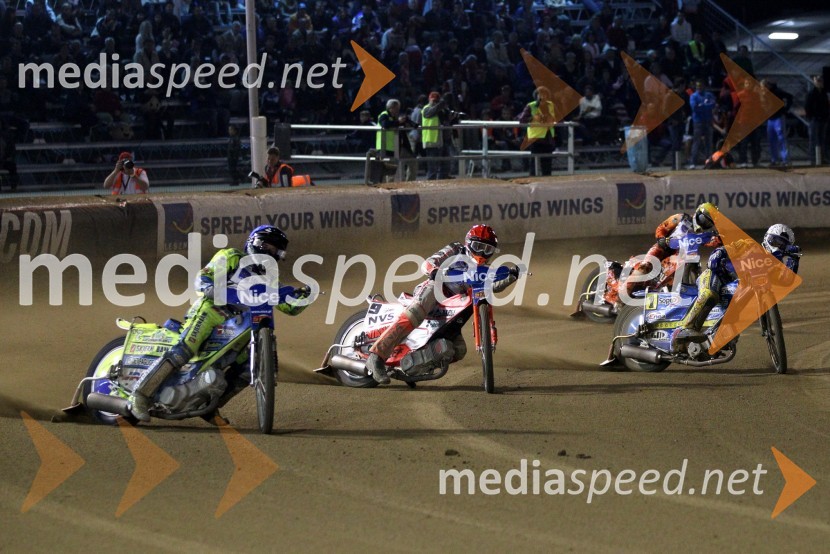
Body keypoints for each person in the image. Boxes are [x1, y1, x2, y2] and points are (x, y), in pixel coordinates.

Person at [129, 226, 311, 421]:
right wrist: (207, 285)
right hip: (212, 311)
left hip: (242, 325)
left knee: (245, 368)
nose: (272, 253)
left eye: (277, 251)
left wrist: (304, 296)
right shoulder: (232, 256)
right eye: (270, 247)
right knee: (185, 349)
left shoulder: (270, 278)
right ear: (256, 244)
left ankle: (209, 406)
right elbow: (204, 276)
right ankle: (139, 395)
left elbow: (289, 307)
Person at [365, 225, 520, 384]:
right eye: (478, 246)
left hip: (454, 305)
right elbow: (428, 263)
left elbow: (491, 287)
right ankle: (376, 356)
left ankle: (410, 367)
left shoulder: (486, 270)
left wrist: (510, 278)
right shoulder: (455, 249)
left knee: (457, 350)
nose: (481, 252)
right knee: (416, 312)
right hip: (437, 288)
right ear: (468, 243)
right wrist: (434, 271)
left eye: (487, 249)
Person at [671, 224, 801, 353]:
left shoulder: (776, 264)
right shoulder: (749, 245)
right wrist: (719, 253)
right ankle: (685, 328)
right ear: (767, 238)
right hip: (717, 275)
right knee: (709, 293)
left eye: (782, 245)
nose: (777, 246)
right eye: (775, 241)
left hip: (740, 288)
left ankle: (719, 336)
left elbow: (786, 281)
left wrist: (794, 259)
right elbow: (726, 249)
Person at [616, 203, 721, 303]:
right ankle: (621, 296)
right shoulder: (681, 218)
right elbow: (662, 227)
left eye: (709, 223)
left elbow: (711, 242)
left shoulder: (704, 234)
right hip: (663, 248)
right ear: (698, 213)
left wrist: (721, 240)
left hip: (682, 255)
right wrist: (661, 238)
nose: (705, 224)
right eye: (704, 219)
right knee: (645, 266)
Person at [518, 86, 556, 176]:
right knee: (533, 163)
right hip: (535, 139)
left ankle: (547, 183)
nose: (543, 96)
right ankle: (532, 182)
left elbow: (558, 118)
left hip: (548, 137)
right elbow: (522, 120)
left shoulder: (551, 105)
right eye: (541, 94)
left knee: (547, 163)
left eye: (545, 94)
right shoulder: (530, 106)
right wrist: (533, 118)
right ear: (536, 96)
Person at [376, 98, 417, 181]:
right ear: (390, 108)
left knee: (413, 162)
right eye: (396, 108)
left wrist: (409, 123)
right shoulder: (384, 115)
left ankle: (410, 183)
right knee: (390, 169)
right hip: (387, 147)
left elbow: (413, 125)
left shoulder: (396, 116)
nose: (397, 110)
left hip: (400, 146)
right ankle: (389, 188)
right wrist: (399, 122)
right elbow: (385, 124)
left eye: (398, 108)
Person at [762, 79, 793, 167]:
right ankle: (774, 159)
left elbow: (789, 97)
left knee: (781, 138)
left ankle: (785, 159)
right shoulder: (765, 94)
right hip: (770, 119)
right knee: (772, 140)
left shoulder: (777, 92)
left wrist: (785, 109)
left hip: (778, 117)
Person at [688, 80, 716, 169]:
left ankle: (709, 162)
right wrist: (705, 106)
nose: (699, 88)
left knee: (709, 142)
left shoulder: (709, 95)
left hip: (708, 120)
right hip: (698, 121)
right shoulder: (693, 96)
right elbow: (694, 107)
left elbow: (713, 104)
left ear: (704, 86)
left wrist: (702, 105)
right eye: (697, 86)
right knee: (696, 142)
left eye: (701, 86)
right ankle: (693, 162)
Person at [806, 75, 829, 166]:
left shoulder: (824, 93)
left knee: (822, 139)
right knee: (814, 139)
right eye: (817, 81)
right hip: (815, 119)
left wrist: (826, 115)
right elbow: (807, 107)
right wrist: (811, 116)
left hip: (823, 119)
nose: (819, 83)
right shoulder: (811, 93)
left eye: (821, 81)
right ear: (814, 82)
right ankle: (813, 159)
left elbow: (826, 105)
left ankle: (822, 158)